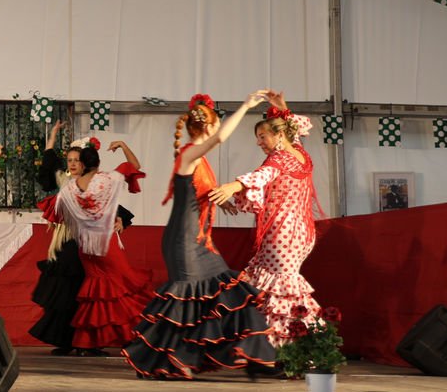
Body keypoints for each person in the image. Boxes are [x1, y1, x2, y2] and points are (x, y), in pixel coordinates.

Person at [123, 92, 277, 379]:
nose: (218, 131)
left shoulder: (199, 160)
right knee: (190, 297)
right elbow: (219, 140)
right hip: (185, 241)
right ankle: (164, 359)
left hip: (200, 240)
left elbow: (198, 191)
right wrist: (245, 106)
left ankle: (255, 355)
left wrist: (224, 200)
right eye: (217, 124)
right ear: (208, 127)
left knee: (229, 292)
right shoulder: (189, 154)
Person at [209, 91, 323, 346]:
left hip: (284, 232)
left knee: (282, 288)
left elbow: (261, 175)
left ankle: (293, 346)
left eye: (263, 136)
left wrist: (232, 186)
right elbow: (292, 130)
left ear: (279, 135)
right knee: (277, 287)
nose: (260, 142)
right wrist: (282, 107)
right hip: (300, 230)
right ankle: (277, 345)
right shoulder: (300, 154)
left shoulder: (280, 158)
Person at [30, 120, 134, 356]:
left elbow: (109, 205)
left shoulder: (96, 184)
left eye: (77, 160)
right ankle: (71, 340)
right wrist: (53, 135)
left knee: (90, 292)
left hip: (89, 245)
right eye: (70, 161)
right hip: (69, 242)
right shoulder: (63, 181)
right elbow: (48, 162)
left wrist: (120, 221)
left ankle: (87, 342)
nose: (73, 164)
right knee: (68, 292)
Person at [54, 136, 150, 351]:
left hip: (85, 247)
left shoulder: (70, 188)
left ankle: (86, 343)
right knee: (124, 287)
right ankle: (136, 335)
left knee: (97, 294)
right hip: (106, 245)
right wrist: (124, 145)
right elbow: (135, 166)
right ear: (96, 162)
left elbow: (62, 215)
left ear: (82, 163)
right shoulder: (108, 179)